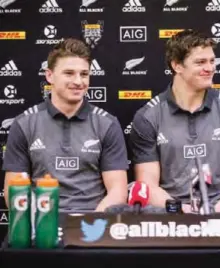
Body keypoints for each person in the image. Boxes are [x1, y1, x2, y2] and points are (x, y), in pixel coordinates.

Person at [129, 29, 220, 213]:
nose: (210, 68)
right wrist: (185, 212)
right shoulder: (148, 117)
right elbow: (147, 185)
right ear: (177, 65)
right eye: (200, 62)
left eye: (212, 61)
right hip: (172, 215)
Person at [2, 38, 129, 211]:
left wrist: (91, 226)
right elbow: (14, 190)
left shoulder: (107, 124)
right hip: (40, 225)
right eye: (69, 73)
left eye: (84, 74)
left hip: (91, 226)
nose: (78, 81)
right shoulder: (24, 123)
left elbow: (117, 191)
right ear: (49, 76)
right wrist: (38, 225)